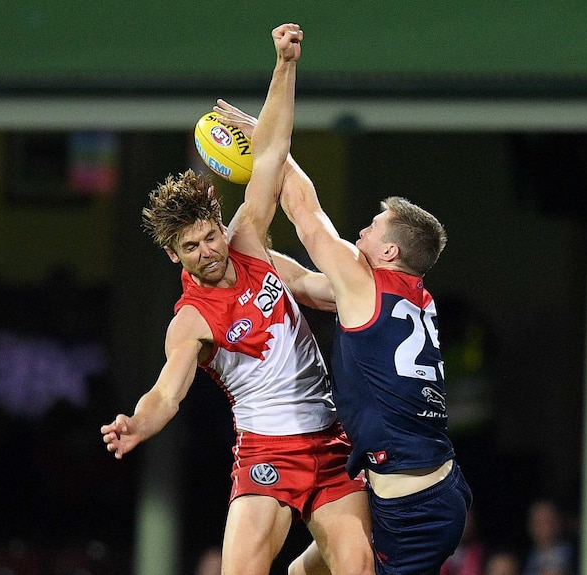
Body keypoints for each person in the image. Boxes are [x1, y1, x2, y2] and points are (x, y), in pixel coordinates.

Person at [100, 23, 374, 575]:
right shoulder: (191, 321)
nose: (207, 251)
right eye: (191, 247)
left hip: (329, 440)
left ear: (220, 227)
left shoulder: (248, 241)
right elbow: (166, 394)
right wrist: (138, 422)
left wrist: (284, 65)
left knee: (360, 566)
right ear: (175, 257)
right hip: (266, 455)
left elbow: (271, 153)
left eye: (209, 236)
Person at [215, 99, 472, 574]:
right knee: (301, 571)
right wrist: (235, 261)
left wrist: (269, 141)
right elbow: (301, 284)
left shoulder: (364, 285)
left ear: (390, 250)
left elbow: (304, 213)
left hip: (411, 510)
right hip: (430, 487)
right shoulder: (413, 297)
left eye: (372, 229)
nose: (360, 233)